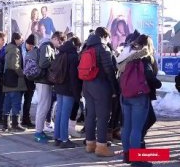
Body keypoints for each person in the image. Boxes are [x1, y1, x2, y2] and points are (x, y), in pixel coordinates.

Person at [117, 34, 161, 167]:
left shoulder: (129, 56)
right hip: (139, 97)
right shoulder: (145, 57)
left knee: (127, 127)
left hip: (125, 95)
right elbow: (149, 76)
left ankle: (127, 155)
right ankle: (137, 160)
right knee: (136, 129)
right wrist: (158, 84)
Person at [82, 27, 119, 157]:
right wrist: (115, 89)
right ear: (104, 36)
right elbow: (109, 70)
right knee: (103, 116)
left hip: (87, 85)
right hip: (101, 86)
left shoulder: (86, 47)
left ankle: (90, 144)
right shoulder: (103, 48)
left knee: (90, 115)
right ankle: (101, 147)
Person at [34, 31, 66, 143]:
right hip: (43, 81)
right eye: (60, 41)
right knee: (43, 106)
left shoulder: (48, 46)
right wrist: (55, 61)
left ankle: (40, 131)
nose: (61, 44)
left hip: (44, 81)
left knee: (45, 106)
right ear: (55, 38)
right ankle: (38, 132)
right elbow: (43, 63)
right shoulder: (47, 46)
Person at [54, 37, 82, 148]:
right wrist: (77, 93)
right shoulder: (73, 56)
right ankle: (65, 140)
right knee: (65, 114)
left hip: (59, 87)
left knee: (60, 113)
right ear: (75, 45)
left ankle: (58, 138)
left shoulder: (60, 53)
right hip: (68, 89)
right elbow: (73, 77)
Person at [2, 32, 26, 132]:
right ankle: (16, 124)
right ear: (16, 39)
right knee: (16, 102)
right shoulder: (15, 49)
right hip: (15, 80)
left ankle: (5, 125)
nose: (21, 41)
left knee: (7, 102)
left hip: (7, 78)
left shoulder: (7, 48)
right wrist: (22, 74)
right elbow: (15, 66)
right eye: (20, 39)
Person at [21, 34, 37, 128]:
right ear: (26, 43)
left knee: (28, 100)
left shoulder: (35, 50)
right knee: (18, 100)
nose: (31, 48)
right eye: (29, 45)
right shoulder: (20, 49)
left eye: (32, 46)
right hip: (21, 78)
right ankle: (18, 119)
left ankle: (26, 119)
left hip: (30, 79)